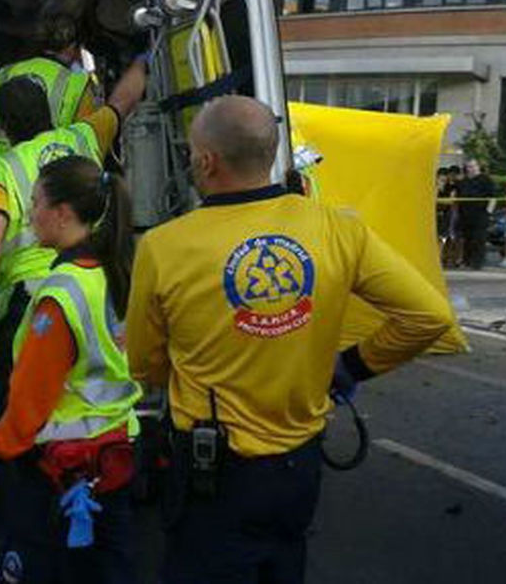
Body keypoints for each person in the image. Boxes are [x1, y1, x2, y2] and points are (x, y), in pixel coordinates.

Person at [125, 95, 454, 584]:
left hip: (211, 472)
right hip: (298, 468)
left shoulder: (164, 247)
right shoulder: (338, 229)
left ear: (206, 160)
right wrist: (349, 366)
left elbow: (144, 364)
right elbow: (430, 316)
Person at [0, 156, 143, 584]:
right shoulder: (113, 273)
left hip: (60, 473)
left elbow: (31, 397)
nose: (29, 214)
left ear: (62, 213)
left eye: (35, 203)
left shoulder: (61, 292)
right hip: (114, 456)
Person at [0, 58, 146, 397]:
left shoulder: (4, 168)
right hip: (94, 287)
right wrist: (143, 62)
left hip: (29, 299)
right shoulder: (84, 137)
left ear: (2, 125)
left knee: (24, 394)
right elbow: (123, 101)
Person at [0, 14, 147, 159]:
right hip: (53, 166)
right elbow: (93, 137)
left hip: (4, 165)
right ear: (72, 48)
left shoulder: (4, 74)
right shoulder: (77, 85)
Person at [456, 159, 496, 270]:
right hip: (466, 215)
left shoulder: (486, 180)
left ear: (478, 167)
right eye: (468, 167)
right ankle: (467, 261)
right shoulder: (463, 182)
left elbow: (493, 197)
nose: (471, 169)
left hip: (481, 214)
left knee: (479, 239)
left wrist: (489, 212)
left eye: (473, 166)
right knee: (467, 239)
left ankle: (478, 263)